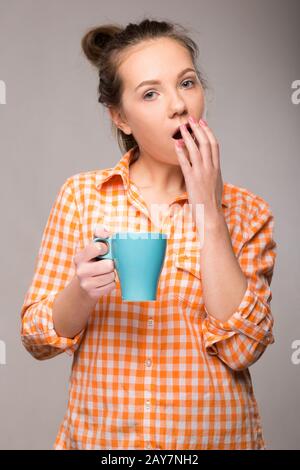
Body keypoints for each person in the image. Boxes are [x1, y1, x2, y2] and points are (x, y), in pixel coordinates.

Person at [20, 18, 277, 450]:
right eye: (151, 93)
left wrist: (209, 213)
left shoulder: (249, 211)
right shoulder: (82, 196)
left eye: (187, 83)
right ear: (120, 117)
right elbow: (37, 339)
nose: (179, 105)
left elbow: (242, 350)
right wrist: (81, 290)